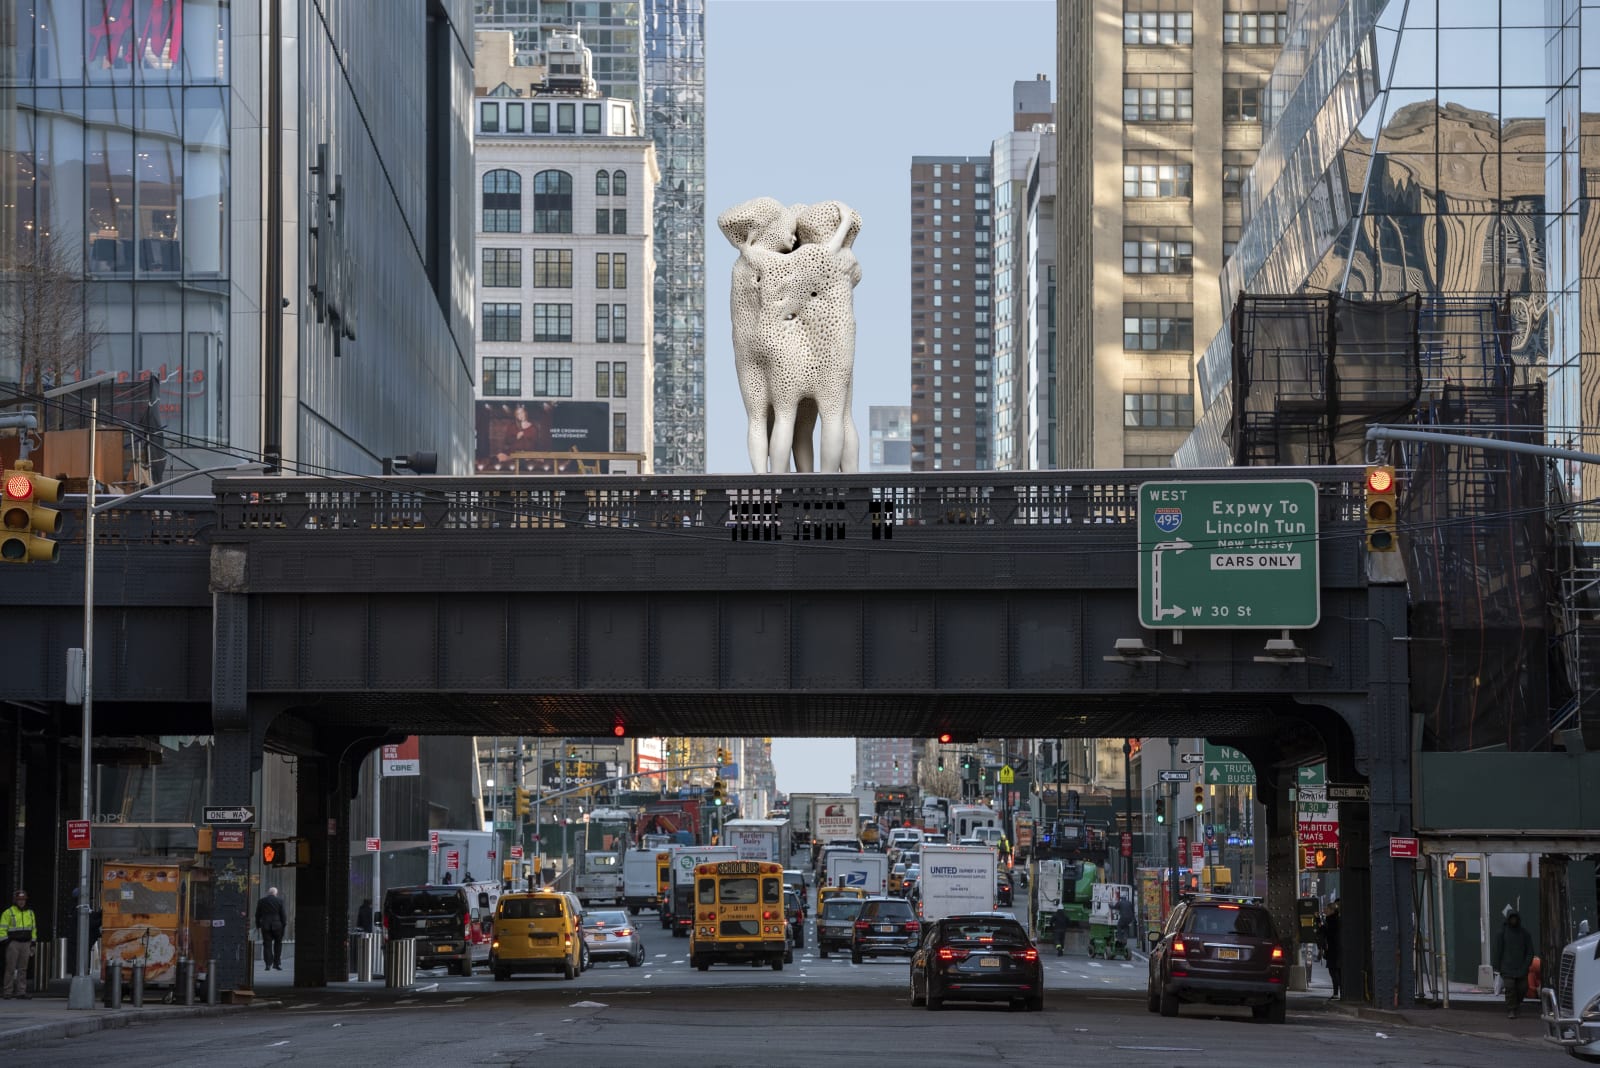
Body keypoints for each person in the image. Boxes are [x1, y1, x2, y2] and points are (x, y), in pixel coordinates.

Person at [1493, 908, 1535, 1019]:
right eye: (1511, 918)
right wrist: (1497, 966)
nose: (1513, 921)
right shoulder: (1502, 933)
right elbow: (1498, 950)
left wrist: (1526, 965)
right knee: (1510, 988)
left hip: (1521, 967)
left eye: (1515, 918)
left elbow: (1530, 951)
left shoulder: (1524, 934)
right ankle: (1511, 1009)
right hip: (1507, 968)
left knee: (1523, 988)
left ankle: (1516, 1004)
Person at [0, 889, 37, 999]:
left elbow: (34, 929)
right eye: (19, 900)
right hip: (13, 943)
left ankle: (21, 992)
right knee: (10, 968)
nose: (21, 902)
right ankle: (7, 992)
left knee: (23, 969)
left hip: (26, 943)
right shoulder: (8, 912)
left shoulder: (30, 913)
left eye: (23, 900)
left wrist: (33, 943)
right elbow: (2, 929)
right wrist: (7, 942)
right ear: (15, 901)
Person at [255, 887, 288, 972]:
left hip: (265, 925)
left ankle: (268, 964)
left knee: (267, 945)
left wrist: (258, 925)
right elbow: (283, 915)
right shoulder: (280, 901)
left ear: (268, 893)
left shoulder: (261, 901)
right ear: (275, 893)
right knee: (278, 945)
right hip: (277, 926)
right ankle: (276, 964)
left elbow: (257, 914)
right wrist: (284, 924)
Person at [1318, 902, 1342, 999]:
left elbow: (1328, 933)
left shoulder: (1332, 920)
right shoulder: (1334, 919)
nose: (1325, 911)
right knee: (1335, 971)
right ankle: (1337, 992)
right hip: (1334, 949)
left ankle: (1336, 992)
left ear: (1332, 910)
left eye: (1327, 909)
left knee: (1334, 971)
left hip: (1334, 950)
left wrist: (1322, 927)